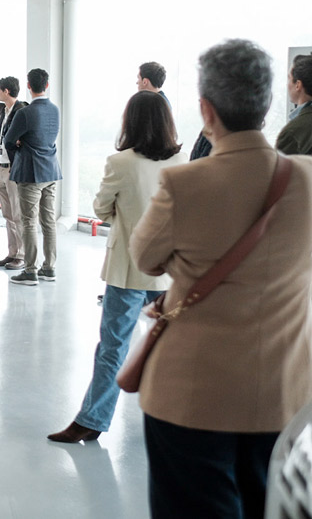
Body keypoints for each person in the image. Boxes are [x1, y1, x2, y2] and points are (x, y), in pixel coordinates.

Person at [129, 39, 312, 517]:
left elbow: (145, 257)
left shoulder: (185, 185)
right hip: (284, 393)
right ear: (269, 104)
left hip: (191, 396)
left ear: (206, 110)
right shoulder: (308, 180)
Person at [47, 92, 185, 444]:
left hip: (128, 269)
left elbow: (100, 208)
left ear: (130, 122)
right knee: (169, 350)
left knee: (113, 348)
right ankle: (171, 422)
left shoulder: (121, 162)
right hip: (170, 272)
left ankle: (92, 420)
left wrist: (123, 217)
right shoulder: (183, 162)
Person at [4, 68, 63, 286]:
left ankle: (30, 271)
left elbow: (9, 141)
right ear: (47, 85)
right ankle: (49, 268)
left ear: (28, 86)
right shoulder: (55, 110)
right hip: (51, 171)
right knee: (49, 222)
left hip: (30, 172)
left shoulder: (25, 113)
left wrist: (20, 144)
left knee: (29, 222)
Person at [0, 76, 28, 269]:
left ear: (6, 91)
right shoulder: (2, 110)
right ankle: (12, 252)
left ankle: (22, 255)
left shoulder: (22, 110)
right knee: (7, 214)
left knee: (17, 214)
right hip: (1, 166)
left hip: (14, 168)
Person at [275, 54, 312, 155]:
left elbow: (280, 169)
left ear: (298, 85)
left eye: (289, 78)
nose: (287, 85)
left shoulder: (293, 132)